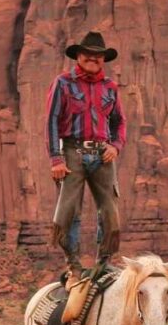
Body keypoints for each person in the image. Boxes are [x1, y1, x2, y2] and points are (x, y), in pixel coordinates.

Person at [46, 31, 127, 280]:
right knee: (68, 211)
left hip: (102, 153)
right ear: (79, 56)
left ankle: (103, 263)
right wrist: (56, 158)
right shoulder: (63, 83)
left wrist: (115, 146)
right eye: (88, 54)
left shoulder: (110, 87)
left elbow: (119, 122)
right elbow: (51, 121)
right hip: (72, 151)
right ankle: (74, 264)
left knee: (110, 211)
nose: (93, 58)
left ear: (103, 59)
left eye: (98, 55)